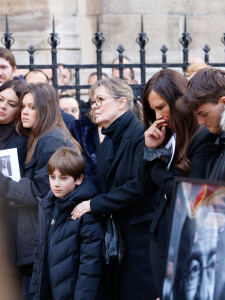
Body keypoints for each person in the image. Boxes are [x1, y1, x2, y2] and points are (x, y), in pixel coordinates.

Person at [71, 78, 157, 300]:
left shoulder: (140, 135)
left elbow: (138, 186)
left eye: (100, 99)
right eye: (93, 101)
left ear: (121, 103)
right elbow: (102, 185)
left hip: (139, 240)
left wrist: (93, 204)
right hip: (115, 239)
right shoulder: (107, 142)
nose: (94, 105)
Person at [137, 69, 212, 297]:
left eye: (161, 107)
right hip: (161, 232)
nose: (158, 116)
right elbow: (143, 187)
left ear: (178, 99)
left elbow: (187, 191)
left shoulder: (201, 135)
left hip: (188, 235)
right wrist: (150, 150)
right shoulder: (165, 134)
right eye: (153, 110)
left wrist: (157, 166)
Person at [0, 83, 79, 299]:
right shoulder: (41, 136)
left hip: (45, 237)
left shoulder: (50, 140)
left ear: (45, 109)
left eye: (32, 107)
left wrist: (4, 183)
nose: (25, 112)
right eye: (24, 106)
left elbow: (42, 192)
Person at [30, 147, 103, 300]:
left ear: (79, 179)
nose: (56, 183)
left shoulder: (85, 214)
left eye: (63, 178)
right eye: (52, 177)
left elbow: (89, 267)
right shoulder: (47, 206)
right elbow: (39, 254)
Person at [184, 68, 225, 182]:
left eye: (204, 114)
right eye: (197, 115)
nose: (200, 122)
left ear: (224, 102)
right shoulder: (222, 137)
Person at [0, 79, 27, 296]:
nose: (2, 106)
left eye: (11, 104)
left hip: (9, 223)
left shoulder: (21, 140)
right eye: (0, 99)